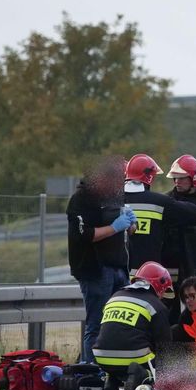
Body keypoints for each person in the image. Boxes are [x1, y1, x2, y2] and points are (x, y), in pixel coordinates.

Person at [123, 153, 196, 323]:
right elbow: (193, 214)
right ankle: (163, 350)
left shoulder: (110, 201)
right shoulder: (159, 202)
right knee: (151, 321)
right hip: (147, 278)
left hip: (117, 275)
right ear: (149, 178)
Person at [67, 156, 135, 363]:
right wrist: (115, 226)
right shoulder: (82, 200)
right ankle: (92, 371)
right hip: (95, 269)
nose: (121, 183)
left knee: (117, 325)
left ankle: (113, 369)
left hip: (119, 268)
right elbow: (85, 235)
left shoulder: (115, 196)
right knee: (96, 325)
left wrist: (131, 223)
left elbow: (131, 231)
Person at [93, 261, 173, 390]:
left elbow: (110, 331)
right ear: (159, 286)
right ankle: (142, 375)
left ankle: (112, 378)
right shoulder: (156, 306)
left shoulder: (115, 296)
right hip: (135, 358)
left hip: (102, 358)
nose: (163, 295)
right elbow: (165, 344)